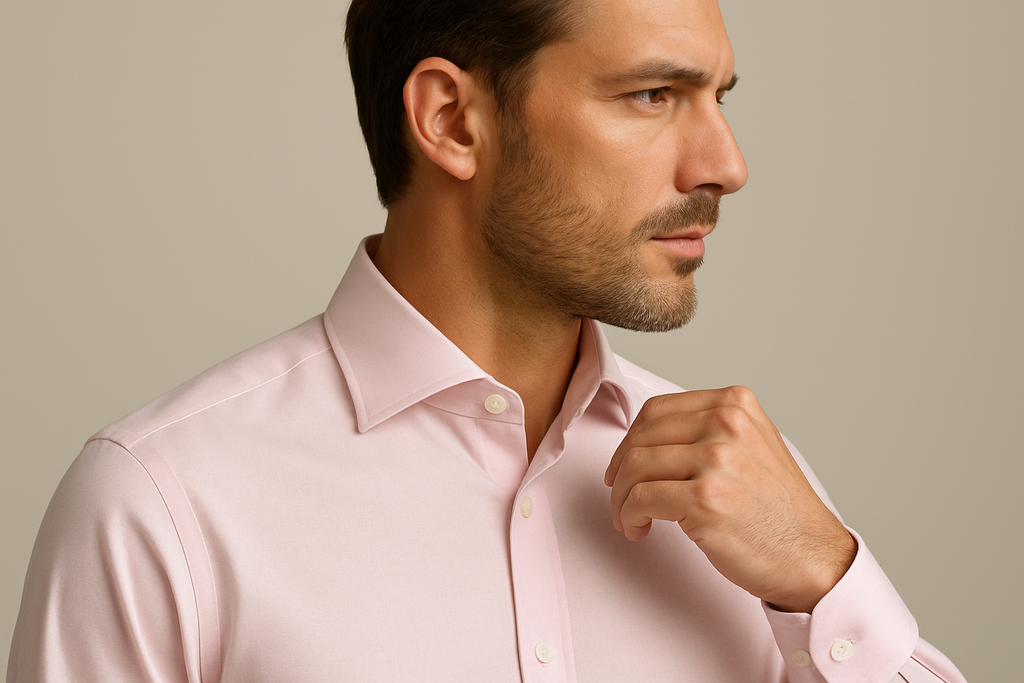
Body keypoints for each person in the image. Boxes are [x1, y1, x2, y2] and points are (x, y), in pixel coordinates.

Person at [7, 0, 967, 681]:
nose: (727, 162)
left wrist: (827, 579)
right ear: (451, 120)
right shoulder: (165, 504)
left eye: (719, 95)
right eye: (653, 96)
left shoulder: (761, 500)